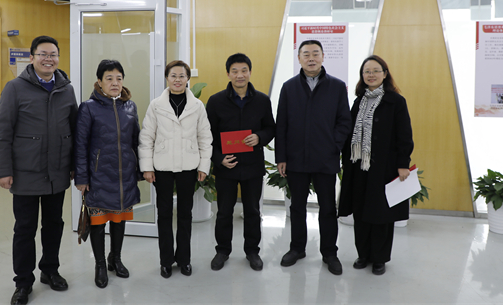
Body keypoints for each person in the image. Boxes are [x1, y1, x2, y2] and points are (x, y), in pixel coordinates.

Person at [0, 36, 78, 305]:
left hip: (57, 172)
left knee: (54, 225)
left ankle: (50, 270)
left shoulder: (66, 89)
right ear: (32, 58)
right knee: (25, 229)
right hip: (25, 172)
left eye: (53, 54)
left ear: (58, 58)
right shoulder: (15, 88)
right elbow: (2, 132)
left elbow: (74, 131)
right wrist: (3, 170)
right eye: (43, 54)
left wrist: (74, 166)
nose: (48, 59)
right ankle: (23, 282)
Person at [275, 39, 351, 275]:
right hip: (296, 159)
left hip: (325, 159)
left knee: (327, 208)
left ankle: (329, 253)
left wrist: (333, 146)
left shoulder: (337, 87)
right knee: (297, 207)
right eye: (306, 54)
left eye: (315, 54)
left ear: (323, 57)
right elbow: (281, 125)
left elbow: (344, 121)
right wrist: (281, 157)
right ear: (299, 58)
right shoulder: (289, 87)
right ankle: (297, 248)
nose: (311, 58)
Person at [338, 55, 414, 276]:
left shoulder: (396, 101)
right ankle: (363, 254)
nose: (371, 75)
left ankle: (379, 258)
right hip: (358, 166)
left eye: (375, 71)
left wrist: (403, 164)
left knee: (381, 214)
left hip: (384, 167)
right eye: (366, 71)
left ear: (385, 73)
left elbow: (404, 135)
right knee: (360, 211)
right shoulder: (358, 101)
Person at [139, 60, 212, 278]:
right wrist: (147, 167)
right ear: (167, 78)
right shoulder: (156, 105)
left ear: (188, 78)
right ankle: (166, 261)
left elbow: (205, 138)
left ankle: (184, 259)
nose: (177, 80)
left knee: (185, 214)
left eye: (182, 76)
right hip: (162, 167)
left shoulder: (197, 106)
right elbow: (146, 137)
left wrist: (204, 166)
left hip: (188, 166)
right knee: (164, 214)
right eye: (173, 75)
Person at [74, 60, 141, 288]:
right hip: (98, 177)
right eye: (109, 78)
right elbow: (80, 146)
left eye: (119, 78)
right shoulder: (88, 108)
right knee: (99, 223)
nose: (115, 83)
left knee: (119, 221)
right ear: (99, 81)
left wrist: (139, 171)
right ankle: (100, 265)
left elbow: (136, 141)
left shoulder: (130, 106)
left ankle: (116, 259)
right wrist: (82, 178)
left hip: (124, 176)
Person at [206, 53, 275, 271]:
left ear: (250, 72)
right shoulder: (216, 101)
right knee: (224, 212)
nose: (240, 75)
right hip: (226, 166)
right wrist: (219, 159)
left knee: (253, 211)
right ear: (228, 74)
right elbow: (207, 135)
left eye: (244, 70)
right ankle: (222, 251)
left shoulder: (262, 100)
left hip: (253, 166)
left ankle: (252, 251)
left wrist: (259, 137)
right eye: (235, 71)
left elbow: (271, 128)